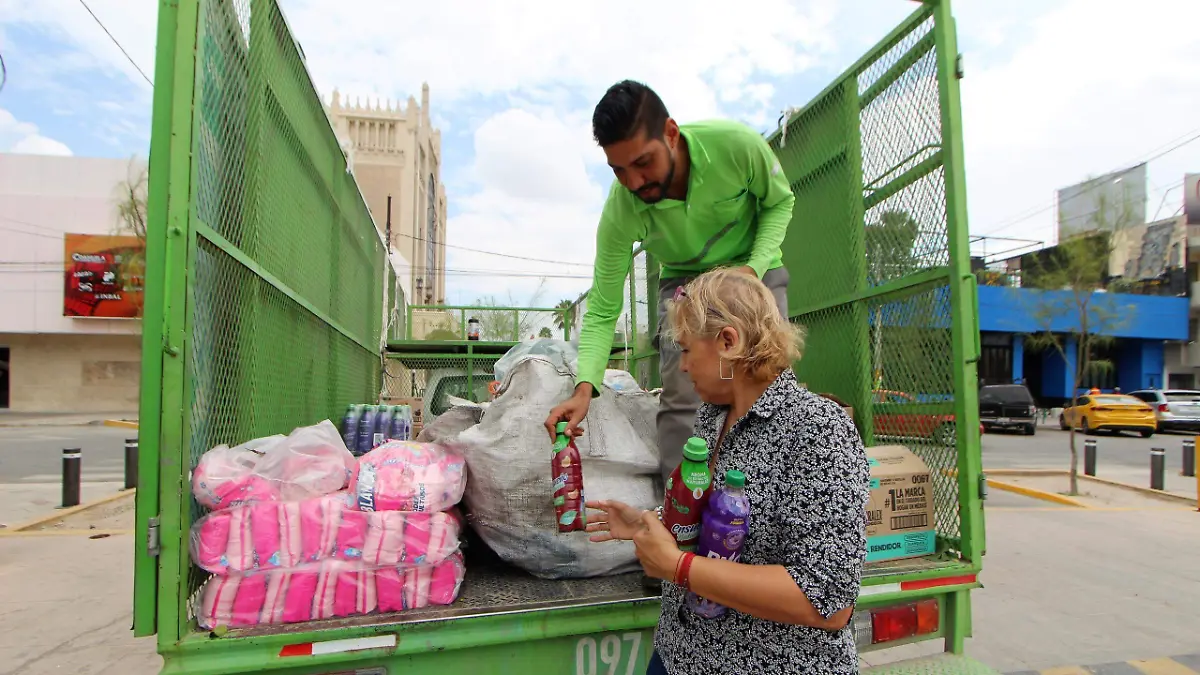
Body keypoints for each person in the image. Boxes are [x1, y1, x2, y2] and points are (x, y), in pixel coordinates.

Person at [587, 269, 869, 675]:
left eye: (687, 350)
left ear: (728, 342)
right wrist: (654, 524)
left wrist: (678, 568)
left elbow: (827, 601)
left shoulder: (818, 430)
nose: (684, 367)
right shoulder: (712, 416)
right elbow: (715, 522)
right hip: (680, 653)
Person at [544, 80, 795, 483]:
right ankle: (678, 511)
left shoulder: (736, 146)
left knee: (769, 388)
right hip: (684, 285)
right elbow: (604, 308)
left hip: (754, 272)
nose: (634, 183)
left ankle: (770, 498)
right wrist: (584, 388)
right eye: (619, 170)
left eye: (643, 162)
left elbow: (780, 201)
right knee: (682, 394)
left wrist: (753, 269)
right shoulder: (621, 209)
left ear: (671, 134)